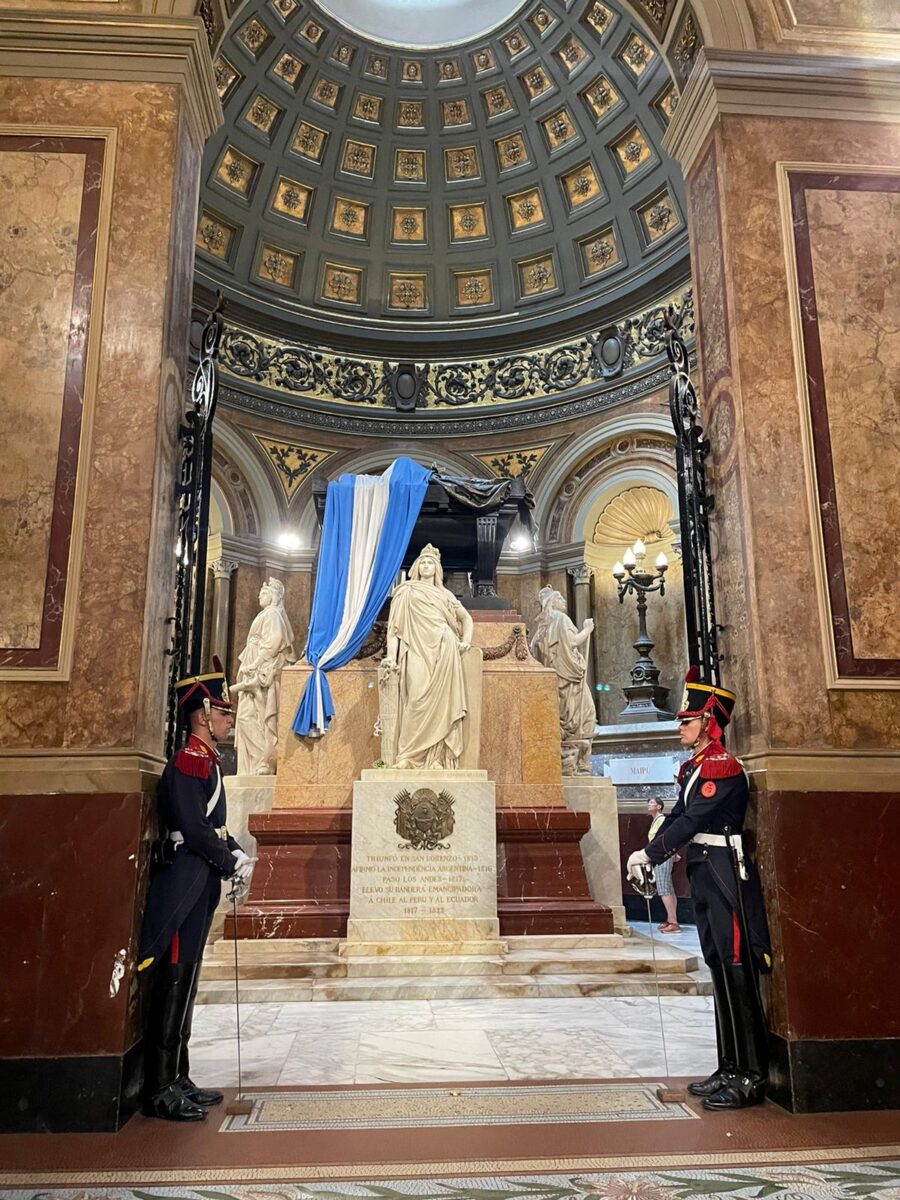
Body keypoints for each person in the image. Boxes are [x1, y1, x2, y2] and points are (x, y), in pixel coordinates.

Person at [626, 669, 772, 1110]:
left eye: (686, 721)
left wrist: (651, 854)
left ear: (709, 722)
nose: (680, 727)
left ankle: (751, 1076)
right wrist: (646, 853)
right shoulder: (695, 767)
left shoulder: (722, 767)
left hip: (725, 872)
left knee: (735, 968)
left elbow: (694, 820)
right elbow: (676, 817)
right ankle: (729, 1065)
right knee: (717, 967)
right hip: (705, 871)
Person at [136, 661, 257, 1121]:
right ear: (204, 715)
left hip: (200, 877)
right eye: (224, 713)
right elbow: (193, 827)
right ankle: (160, 1087)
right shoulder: (189, 760)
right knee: (174, 975)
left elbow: (214, 827)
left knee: (188, 976)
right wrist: (228, 861)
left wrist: (236, 853)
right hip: (184, 879)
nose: (229, 721)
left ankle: (178, 1075)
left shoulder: (206, 761)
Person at [382, 544, 474, 769]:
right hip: (416, 649)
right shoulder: (406, 591)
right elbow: (394, 629)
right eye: (422, 562)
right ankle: (407, 756)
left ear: (437, 569)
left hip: (444, 649)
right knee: (415, 698)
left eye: (430, 563)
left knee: (443, 704)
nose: (425, 565)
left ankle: (436, 758)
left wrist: (466, 641)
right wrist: (391, 657)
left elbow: (466, 618)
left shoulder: (445, 595)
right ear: (415, 567)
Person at [529, 586, 596, 775]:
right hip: (570, 679)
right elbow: (573, 642)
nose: (564, 601)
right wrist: (587, 630)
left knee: (565, 718)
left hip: (555, 681)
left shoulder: (541, 627)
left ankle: (569, 762)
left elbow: (534, 651)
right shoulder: (561, 619)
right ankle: (580, 763)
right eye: (560, 598)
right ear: (552, 602)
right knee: (587, 715)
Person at [232, 577, 295, 776]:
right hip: (254, 666)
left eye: (264, 592)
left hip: (262, 671)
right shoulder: (267, 614)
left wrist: (255, 663)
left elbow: (274, 641)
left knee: (254, 717)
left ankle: (264, 759)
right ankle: (254, 763)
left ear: (274, 595)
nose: (259, 594)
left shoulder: (273, 614)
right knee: (247, 716)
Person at [646, 798, 680, 933]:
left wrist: (673, 852)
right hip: (662, 856)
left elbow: (668, 837)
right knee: (668, 888)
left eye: (651, 803)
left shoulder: (661, 820)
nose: (649, 805)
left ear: (659, 806)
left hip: (662, 857)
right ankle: (671, 919)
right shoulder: (656, 821)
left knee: (664, 888)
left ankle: (673, 922)